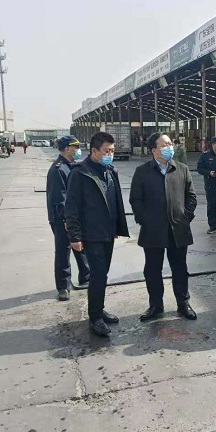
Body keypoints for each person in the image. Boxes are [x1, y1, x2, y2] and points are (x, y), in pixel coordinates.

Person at [65, 132, 130, 337]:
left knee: (103, 274)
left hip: (107, 233)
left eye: (112, 151)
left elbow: (115, 200)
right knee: (98, 274)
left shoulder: (110, 170)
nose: (110, 154)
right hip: (91, 234)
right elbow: (71, 207)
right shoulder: (80, 173)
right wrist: (75, 237)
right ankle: (95, 317)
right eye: (106, 151)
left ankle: (99, 309)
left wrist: (118, 227)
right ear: (94, 151)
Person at [130, 133, 198, 322]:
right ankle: (156, 306)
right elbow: (135, 199)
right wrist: (145, 220)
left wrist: (185, 217)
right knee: (152, 269)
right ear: (154, 150)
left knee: (180, 268)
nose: (170, 147)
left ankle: (183, 304)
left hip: (178, 229)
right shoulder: (142, 171)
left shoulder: (182, 169)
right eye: (165, 145)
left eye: (170, 144)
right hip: (153, 230)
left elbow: (191, 196)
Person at [46, 135, 91, 302]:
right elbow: (60, 199)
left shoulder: (73, 166)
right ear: (67, 149)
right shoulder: (58, 170)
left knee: (80, 246)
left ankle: (86, 276)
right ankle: (63, 286)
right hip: (62, 219)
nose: (78, 150)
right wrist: (66, 221)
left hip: (75, 217)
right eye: (76, 147)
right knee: (63, 251)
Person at [197, 136, 216, 234]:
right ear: (213, 145)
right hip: (211, 184)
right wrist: (209, 173)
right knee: (212, 205)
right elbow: (200, 169)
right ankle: (213, 226)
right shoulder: (205, 156)